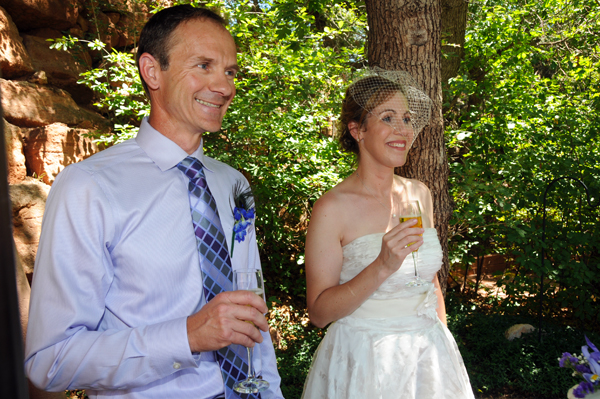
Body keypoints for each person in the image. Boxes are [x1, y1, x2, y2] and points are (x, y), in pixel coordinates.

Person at [24, 5, 284, 399]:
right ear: (152, 71)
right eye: (204, 65)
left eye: (230, 71)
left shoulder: (234, 184)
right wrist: (187, 336)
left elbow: (252, 312)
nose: (225, 85)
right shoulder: (89, 187)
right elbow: (50, 362)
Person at [301, 68, 474, 398]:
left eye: (407, 119)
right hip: (366, 360)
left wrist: (443, 349)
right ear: (357, 130)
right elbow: (320, 314)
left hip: (429, 358)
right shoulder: (332, 208)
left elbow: (430, 282)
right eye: (388, 118)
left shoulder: (419, 194)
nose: (403, 129)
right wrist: (382, 265)